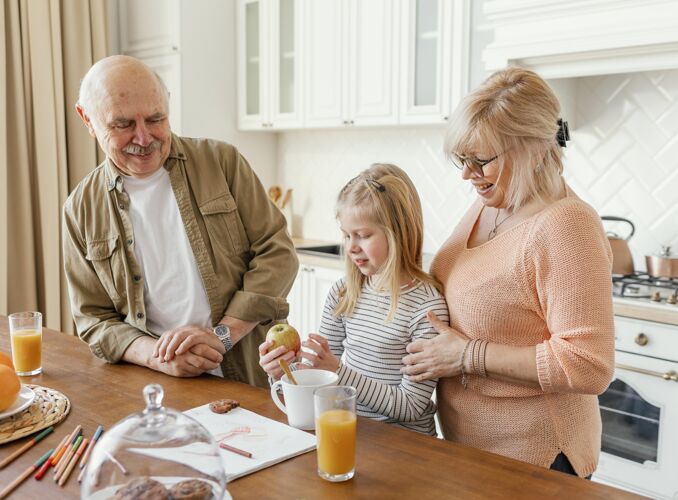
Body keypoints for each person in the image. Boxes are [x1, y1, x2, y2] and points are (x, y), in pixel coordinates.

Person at [401, 67, 615, 476]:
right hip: (473, 450)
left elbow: (589, 364)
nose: (467, 173)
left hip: (537, 457)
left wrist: (466, 355)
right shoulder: (491, 203)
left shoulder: (566, 225)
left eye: (481, 160)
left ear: (533, 148)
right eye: (463, 159)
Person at [62, 55, 298, 387]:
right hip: (156, 385)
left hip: (247, 376)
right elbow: (94, 319)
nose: (144, 138)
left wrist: (223, 335)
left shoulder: (222, 162)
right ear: (87, 119)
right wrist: (159, 356)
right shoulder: (80, 208)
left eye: (156, 119)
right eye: (123, 124)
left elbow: (278, 253)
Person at [259, 164, 449, 435]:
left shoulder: (426, 309)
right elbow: (320, 379)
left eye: (363, 235)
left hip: (405, 444)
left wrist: (339, 370)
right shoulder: (344, 292)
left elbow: (411, 406)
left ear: (400, 232)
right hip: (348, 430)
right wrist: (282, 373)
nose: (351, 247)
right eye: (346, 235)